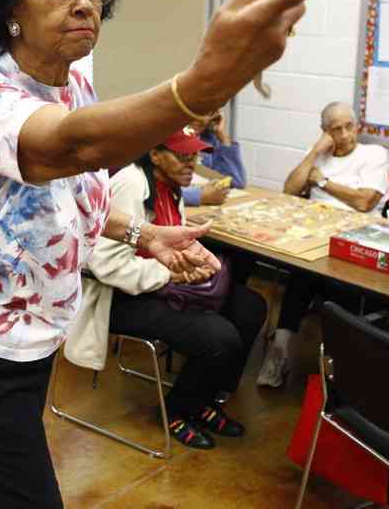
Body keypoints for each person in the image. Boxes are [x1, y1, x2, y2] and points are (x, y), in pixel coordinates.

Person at [0, 0, 341, 509]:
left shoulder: (73, 89)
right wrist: (206, 80)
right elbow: (76, 148)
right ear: (10, 11)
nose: (84, 2)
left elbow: (69, 196)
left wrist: (142, 233)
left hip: (31, 339)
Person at [67, 128, 266, 450]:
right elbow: (107, 266)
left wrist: (185, 265)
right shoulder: (133, 184)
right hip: (119, 297)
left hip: (158, 286)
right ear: (156, 155)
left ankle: (206, 397)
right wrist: (169, 275)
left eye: (195, 155)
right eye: (183, 155)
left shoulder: (170, 184)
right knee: (219, 337)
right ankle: (177, 411)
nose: (192, 163)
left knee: (250, 308)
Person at [257, 101, 389, 388]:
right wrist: (315, 153)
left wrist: (324, 181)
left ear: (357, 126)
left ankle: (340, 368)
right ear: (324, 132)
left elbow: (365, 201)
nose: (344, 135)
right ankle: (278, 352)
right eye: (335, 129)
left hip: (357, 240)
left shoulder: (374, 154)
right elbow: (290, 190)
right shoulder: (318, 155)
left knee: (337, 289)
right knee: (300, 276)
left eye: (348, 127)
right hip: (315, 236)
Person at [181, 109, 247, 207]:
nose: (201, 119)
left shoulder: (207, 139)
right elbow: (154, 193)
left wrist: (222, 136)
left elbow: (236, 182)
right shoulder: (163, 138)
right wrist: (200, 196)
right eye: (194, 110)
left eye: (209, 113)